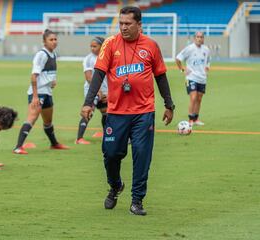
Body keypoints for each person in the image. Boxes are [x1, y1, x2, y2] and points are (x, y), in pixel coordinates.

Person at [81, 6, 175, 216]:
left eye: (127, 24)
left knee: (142, 154)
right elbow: (98, 74)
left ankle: (137, 200)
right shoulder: (110, 44)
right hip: (116, 112)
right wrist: (88, 102)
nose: (123, 27)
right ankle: (115, 186)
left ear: (139, 25)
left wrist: (169, 104)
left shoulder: (151, 46)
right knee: (111, 154)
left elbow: (160, 75)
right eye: (120, 23)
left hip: (143, 112)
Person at [13, 29, 69, 154]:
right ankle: (18, 147)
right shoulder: (41, 55)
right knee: (32, 118)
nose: (54, 42)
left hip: (47, 91)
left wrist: (52, 81)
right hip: (39, 92)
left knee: (48, 121)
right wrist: (35, 96)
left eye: (55, 39)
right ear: (44, 42)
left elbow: (47, 73)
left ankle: (54, 144)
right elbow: (34, 76)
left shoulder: (53, 54)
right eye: (51, 40)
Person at [76, 37, 108, 145]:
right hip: (93, 90)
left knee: (106, 112)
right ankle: (79, 138)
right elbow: (89, 78)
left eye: (95, 46)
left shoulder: (107, 57)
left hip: (105, 91)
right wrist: (98, 91)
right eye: (91, 46)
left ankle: (106, 135)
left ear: (102, 46)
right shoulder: (89, 59)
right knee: (90, 111)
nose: (92, 48)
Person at [175, 31, 211, 126]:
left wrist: (207, 67)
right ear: (194, 38)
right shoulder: (189, 49)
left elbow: (208, 60)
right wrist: (182, 69)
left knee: (199, 99)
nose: (199, 38)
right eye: (198, 37)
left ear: (203, 38)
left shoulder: (206, 49)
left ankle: (196, 118)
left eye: (201, 37)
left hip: (202, 78)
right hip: (191, 77)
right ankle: (190, 120)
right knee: (193, 97)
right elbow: (178, 58)